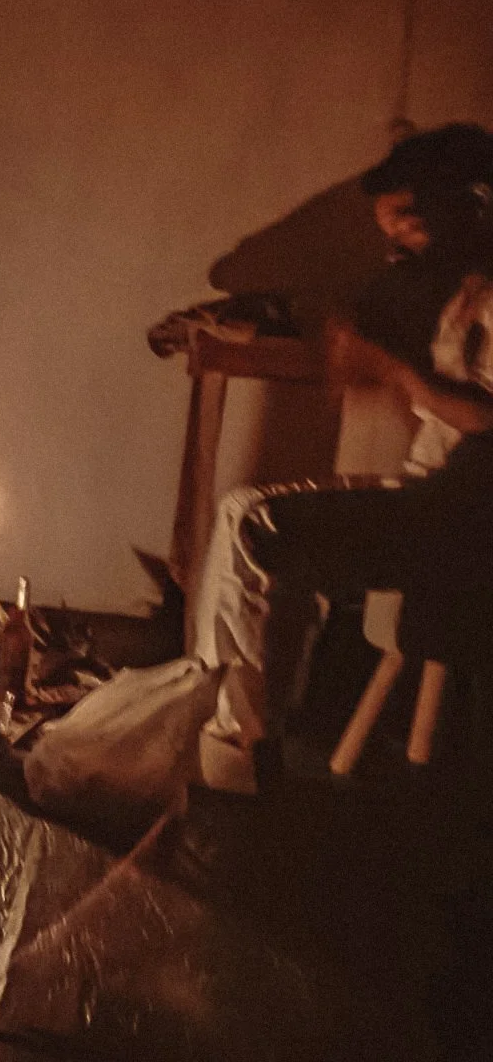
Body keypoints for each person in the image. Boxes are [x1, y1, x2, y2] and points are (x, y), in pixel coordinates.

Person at [194, 123, 493, 794]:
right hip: (433, 497)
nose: (397, 243)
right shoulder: (457, 287)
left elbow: (485, 418)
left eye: (410, 222)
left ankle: (243, 747)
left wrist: (392, 368)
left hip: (460, 521)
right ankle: (238, 715)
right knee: (245, 510)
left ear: (471, 204)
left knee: (258, 529)